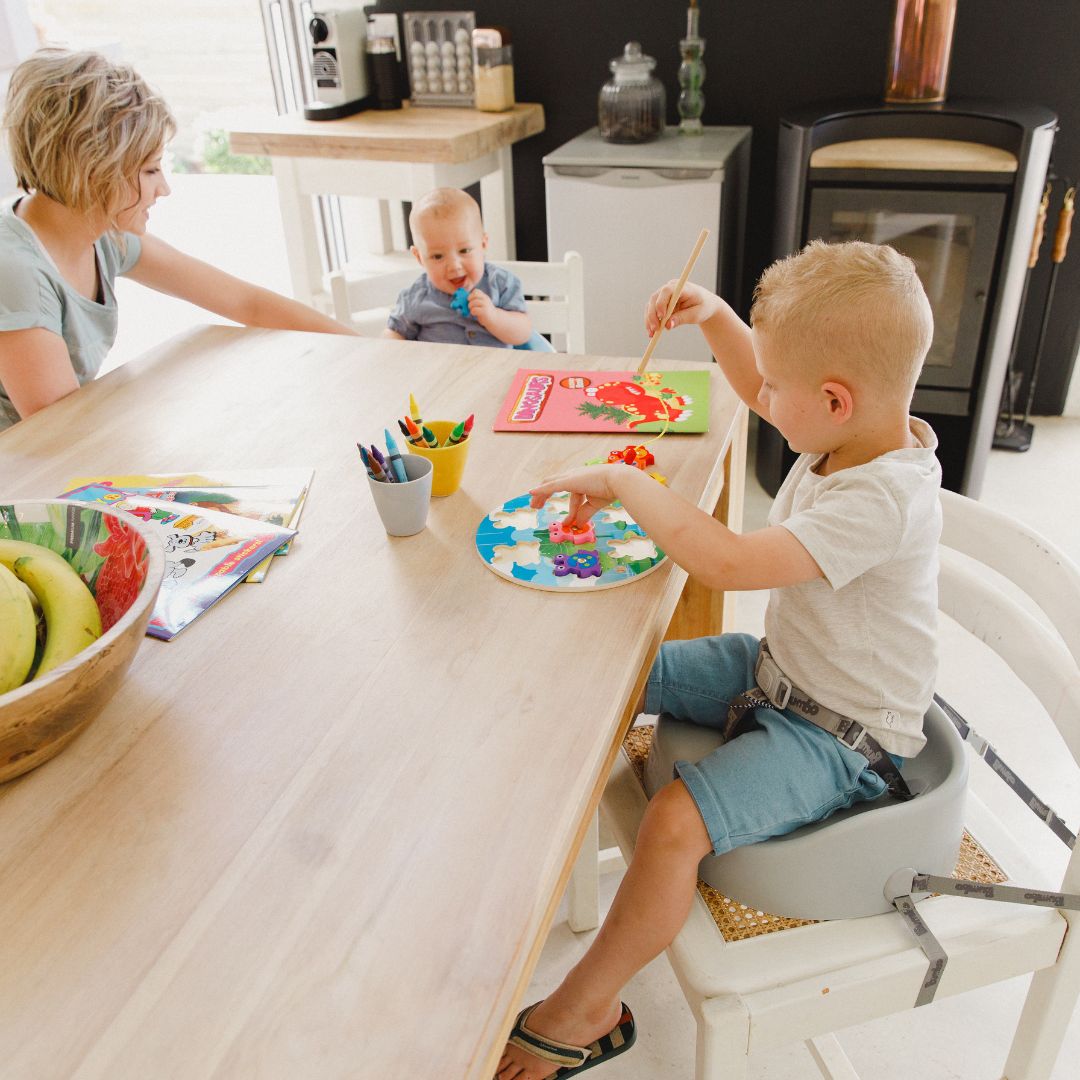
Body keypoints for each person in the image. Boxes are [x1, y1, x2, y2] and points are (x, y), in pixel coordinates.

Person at [498, 240, 941, 1079]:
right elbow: (767, 392)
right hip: (781, 672)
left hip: (838, 740)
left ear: (835, 399)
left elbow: (729, 563)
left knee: (673, 823)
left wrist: (625, 483)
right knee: (611, 669)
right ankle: (527, 848)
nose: (762, 397)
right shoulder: (856, 433)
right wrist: (721, 319)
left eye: (777, 384)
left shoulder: (882, 499)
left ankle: (588, 1008)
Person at [0, 48, 354, 432]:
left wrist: (370, 349)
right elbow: (57, 433)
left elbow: (245, 302)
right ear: (92, 170)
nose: (164, 188)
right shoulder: (18, 273)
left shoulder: (100, 233)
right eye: (150, 170)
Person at [384, 187, 532, 347]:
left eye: (464, 251)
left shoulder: (501, 284)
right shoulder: (415, 297)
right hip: (441, 370)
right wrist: (391, 348)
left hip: (494, 369)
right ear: (419, 257)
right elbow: (394, 333)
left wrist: (493, 317)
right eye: (438, 256)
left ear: (483, 244)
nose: (454, 266)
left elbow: (523, 334)